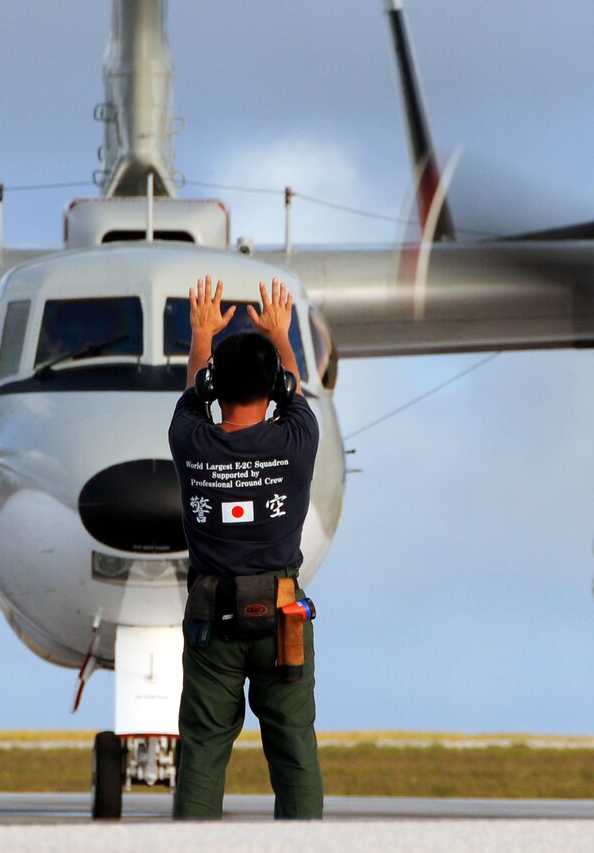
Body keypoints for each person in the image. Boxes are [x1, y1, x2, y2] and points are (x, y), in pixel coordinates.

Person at [168, 274, 322, 820]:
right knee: (294, 750)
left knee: (204, 751)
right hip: (282, 614)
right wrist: (280, 334)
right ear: (275, 388)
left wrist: (202, 335)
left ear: (213, 385)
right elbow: (296, 390)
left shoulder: (190, 439)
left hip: (213, 618)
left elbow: (193, 390)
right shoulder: (297, 441)